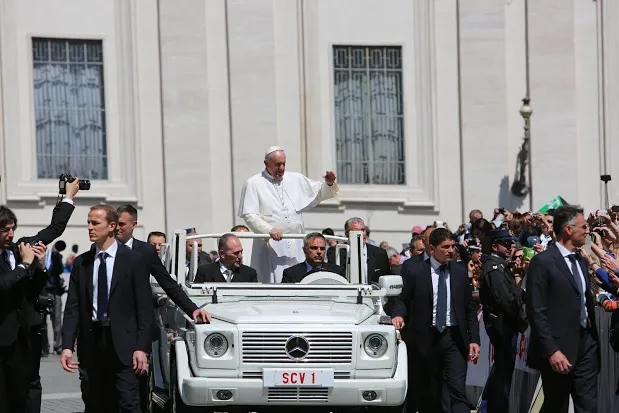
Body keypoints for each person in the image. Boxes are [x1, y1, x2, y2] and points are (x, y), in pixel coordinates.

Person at [60, 205, 154, 412]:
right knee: (95, 402)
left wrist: (141, 348)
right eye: (88, 222)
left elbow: (145, 308)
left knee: (128, 402)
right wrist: (67, 345)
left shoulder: (133, 260)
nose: (90, 227)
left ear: (111, 226)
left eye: (95, 223)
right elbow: (73, 306)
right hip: (92, 342)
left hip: (124, 343)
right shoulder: (82, 262)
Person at [392, 228, 480, 413]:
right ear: (432, 248)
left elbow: (469, 309)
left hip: (454, 337)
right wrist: (399, 315)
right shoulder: (417, 272)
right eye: (445, 247)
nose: (450, 251)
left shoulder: (459, 271)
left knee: (457, 389)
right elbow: (403, 299)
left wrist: (474, 340)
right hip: (427, 338)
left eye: (452, 246)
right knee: (430, 393)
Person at [526, 206, 599, 413]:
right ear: (568, 229)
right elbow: (536, 310)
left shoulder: (580, 261)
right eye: (584, 227)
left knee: (588, 405)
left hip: (586, 346)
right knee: (556, 405)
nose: (588, 231)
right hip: (558, 350)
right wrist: (552, 350)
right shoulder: (543, 262)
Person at [238, 146, 338, 283]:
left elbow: (318, 193)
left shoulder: (295, 179)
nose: (282, 168)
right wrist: (269, 230)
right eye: (277, 164)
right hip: (270, 245)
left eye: (284, 163)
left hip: (296, 242)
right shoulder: (253, 183)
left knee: (299, 281)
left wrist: (329, 183)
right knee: (273, 283)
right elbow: (249, 215)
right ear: (266, 164)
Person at [479, 229, 527, 413]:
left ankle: (488, 407)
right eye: (505, 244)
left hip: (504, 324)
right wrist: (521, 318)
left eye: (510, 243)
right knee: (503, 371)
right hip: (503, 325)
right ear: (494, 246)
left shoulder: (500, 265)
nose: (510, 247)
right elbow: (505, 301)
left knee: (502, 368)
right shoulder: (494, 267)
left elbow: (513, 294)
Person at [326, 217, 389, 283]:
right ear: (347, 233)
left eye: (363, 230)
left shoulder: (380, 253)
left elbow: (387, 280)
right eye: (357, 231)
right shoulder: (336, 253)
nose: (363, 234)